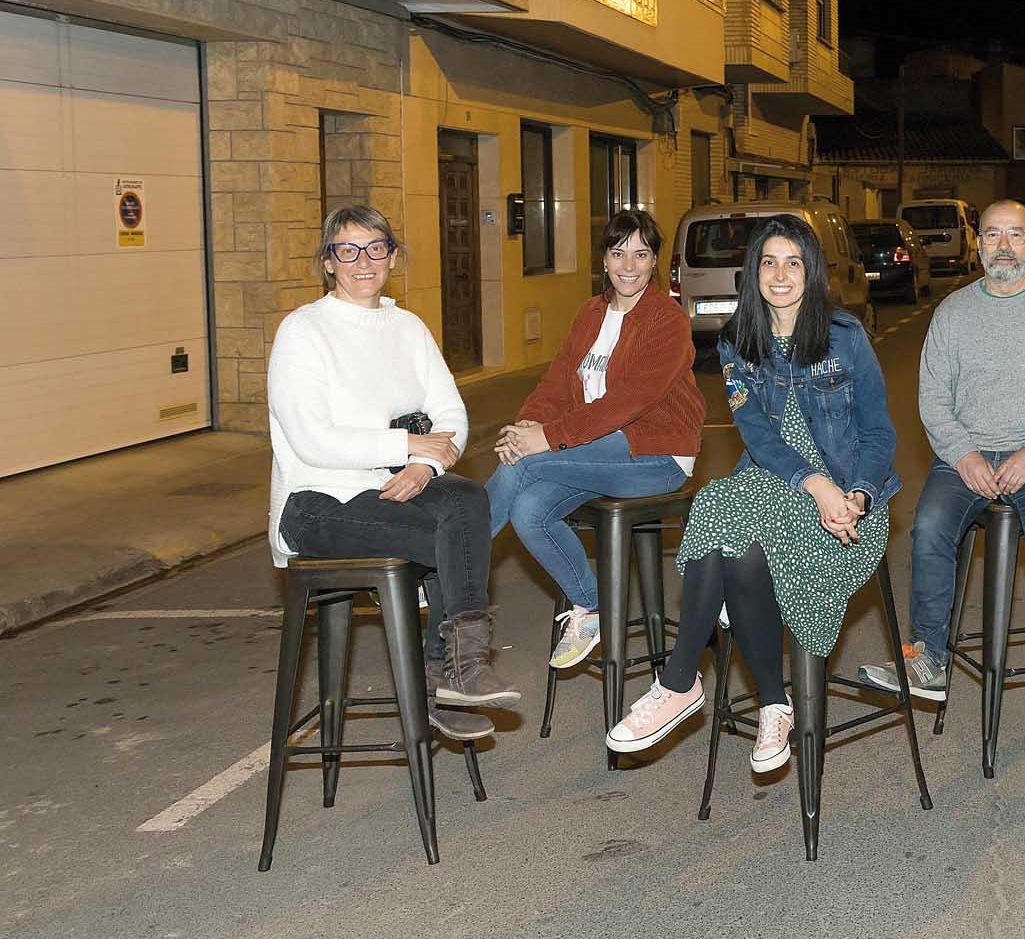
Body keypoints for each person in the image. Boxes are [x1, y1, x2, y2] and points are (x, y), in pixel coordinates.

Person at [602, 214, 900, 774]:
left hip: (850, 501)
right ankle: (752, 700)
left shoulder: (844, 335)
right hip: (775, 478)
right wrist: (811, 485)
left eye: (793, 262)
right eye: (768, 262)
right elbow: (759, 435)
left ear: (811, 271)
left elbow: (879, 431)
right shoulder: (740, 340)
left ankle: (691, 684)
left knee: (725, 525)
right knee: (723, 512)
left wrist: (853, 494)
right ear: (753, 272)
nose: (780, 274)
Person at [268, 204, 519, 744]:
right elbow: (313, 439)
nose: (363, 261)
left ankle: (459, 671)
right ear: (328, 262)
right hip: (319, 502)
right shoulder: (303, 331)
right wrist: (406, 442)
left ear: (393, 256)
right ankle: (446, 678)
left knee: (468, 499)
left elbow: (452, 416)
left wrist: (425, 465)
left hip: (394, 488)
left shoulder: (407, 327)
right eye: (347, 250)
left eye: (376, 248)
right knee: (455, 534)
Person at [858, 200, 1025, 701]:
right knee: (927, 529)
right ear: (978, 243)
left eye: (1015, 234)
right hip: (964, 455)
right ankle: (928, 654)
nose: (1003, 246)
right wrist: (963, 454)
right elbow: (933, 396)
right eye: (992, 234)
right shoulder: (953, 312)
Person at [485, 209, 704, 672]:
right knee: (529, 510)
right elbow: (558, 382)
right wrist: (525, 429)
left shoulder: (667, 320)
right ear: (604, 258)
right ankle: (592, 607)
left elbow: (628, 402)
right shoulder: (590, 313)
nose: (629, 265)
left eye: (641, 254)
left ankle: (447, 563)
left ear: (654, 261)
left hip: (655, 455)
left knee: (522, 465)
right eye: (619, 252)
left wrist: (547, 438)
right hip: (598, 453)